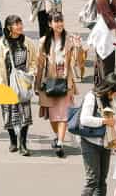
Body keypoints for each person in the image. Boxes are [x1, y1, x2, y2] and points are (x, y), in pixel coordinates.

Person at [37, 9, 84, 157]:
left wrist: (78, 47)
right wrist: (37, 85)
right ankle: (59, 136)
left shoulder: (69, 40)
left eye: (61, 20)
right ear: (50, 24)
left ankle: (60, 143)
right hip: (49, 83)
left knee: (63, 115)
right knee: (53, 117)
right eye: (56, 21)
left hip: (65, 82)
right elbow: (39, 65)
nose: (59, 24)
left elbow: (78, 62)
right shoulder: (44, 41)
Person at [0, 14, 39, 156]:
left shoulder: (27, 42)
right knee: (8, 114)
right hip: (7, 84)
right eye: (16, 24)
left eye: (20, 23)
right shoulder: (2, 44)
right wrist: (0, 85)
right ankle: (13, 140)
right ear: (9, 27)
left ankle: (23, 144)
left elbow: (33, 60)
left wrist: (31, 73)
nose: (20, 26)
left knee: (25, 114)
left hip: (23, 82)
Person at [77, 74, 116, 196]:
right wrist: (104, 121)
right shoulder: (92, 97)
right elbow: (84, 119)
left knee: (101, 181)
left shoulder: (110, 100)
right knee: (92, 180)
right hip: (89, 142)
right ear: (109, 89)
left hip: (105, 143)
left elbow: (115, 121)